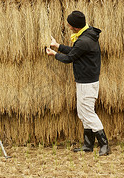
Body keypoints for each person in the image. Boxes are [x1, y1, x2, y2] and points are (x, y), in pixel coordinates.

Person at [46, 10, 110, 156]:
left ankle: (104, 145)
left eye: (69, 25)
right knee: (83, 113)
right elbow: (75, 51)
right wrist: (58, 46)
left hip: (87, 82)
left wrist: (54, 54)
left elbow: (70, 58)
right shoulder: (86, 35)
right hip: (84, 80)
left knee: (88, 113)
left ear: (75, 27)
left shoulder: (83, 40)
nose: (68, 27)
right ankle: (88, 144)